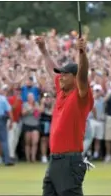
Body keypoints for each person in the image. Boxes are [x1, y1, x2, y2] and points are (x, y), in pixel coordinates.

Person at [36, 36, 94, 196]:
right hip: (55, 160)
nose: (60, 76)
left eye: (65, 74)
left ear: (74, 78)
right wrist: (44, 51)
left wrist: (82, 52)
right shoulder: (62, 91)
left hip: (70, 161)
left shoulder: (81, 96)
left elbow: (83, 74)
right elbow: (50, 68)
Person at [22, 93, 41, 162]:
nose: (31, 98)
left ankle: (33, 158)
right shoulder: (25, 104)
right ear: (27, 98)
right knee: (27, 143)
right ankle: (28, 158)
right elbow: (23, 113)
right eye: (29, 97)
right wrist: (30, 109)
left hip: (35, 124)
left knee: (35, 142)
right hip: (27, 124)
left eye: (32, 97)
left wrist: (37, 109)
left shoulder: (37, 104)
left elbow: (40, 112)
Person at [7, 87, 23, 161]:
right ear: (14, 91)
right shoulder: (11, 99)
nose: (18, 92)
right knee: (11, 139)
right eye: (17, 90)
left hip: (17, 121)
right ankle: (11, 156)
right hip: (11, 121)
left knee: (15, 140)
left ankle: (12, 154)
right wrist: (17, 100)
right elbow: (11, 109)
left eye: (19, 90)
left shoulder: (20, 100)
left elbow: (20, 112)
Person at [39, 93, 54, 163]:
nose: (47, 99)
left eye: (48, 97)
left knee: (52, 140)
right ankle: (44, 156)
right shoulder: (42, 104)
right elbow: (40, 111)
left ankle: (52, 155)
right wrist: (42, 103)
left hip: (52, 123)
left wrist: (53, 103)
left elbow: (52, 113)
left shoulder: (54, 104)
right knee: (43, 139)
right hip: (44, 123)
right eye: (46, 97)